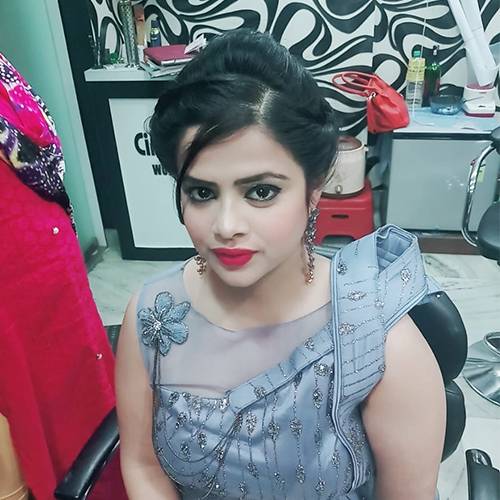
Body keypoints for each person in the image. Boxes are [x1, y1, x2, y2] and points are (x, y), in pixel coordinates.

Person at [116, 29, 446, 499]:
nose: (226, 226)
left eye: (261, 191)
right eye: (202, 192)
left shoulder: (380, 342)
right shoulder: (153, 315)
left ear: (314, 189)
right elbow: (143, 463)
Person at [0, 52, 115, 500]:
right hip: (10, 291)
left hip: (50, 265)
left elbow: (38, 154)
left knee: (87, 394)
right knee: (25, 415)